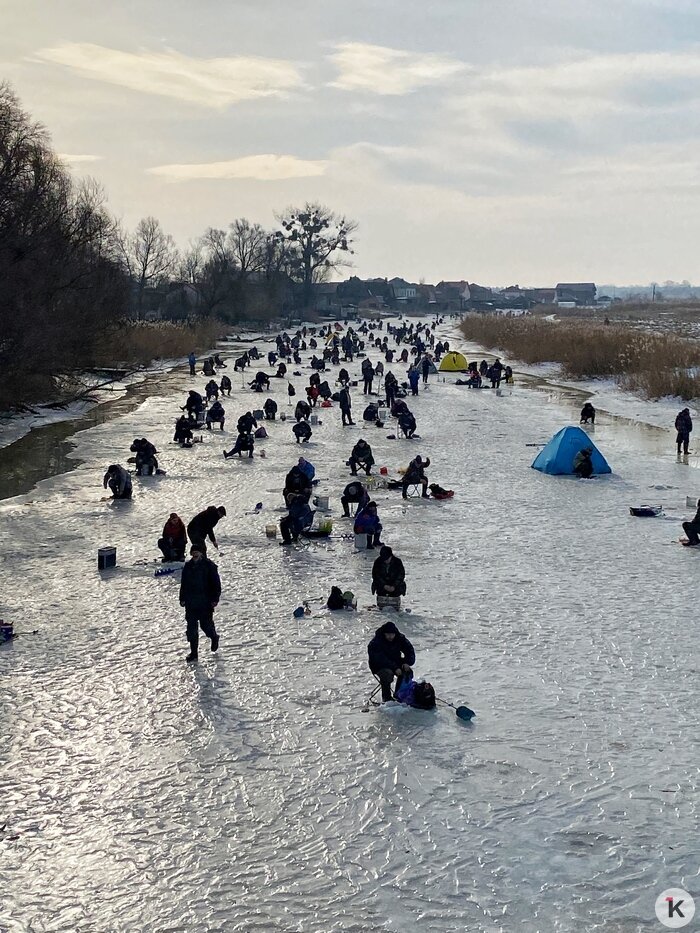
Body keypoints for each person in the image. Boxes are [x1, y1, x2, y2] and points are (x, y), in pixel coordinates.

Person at [179, 545, 221, 662]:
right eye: (193, 552)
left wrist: (214, 599)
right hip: (191, 603)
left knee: (205, 626)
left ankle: (214, 637)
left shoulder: (209, 566)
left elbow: (216, 584)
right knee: (191, 629)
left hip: (205, 603)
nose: (195, 554)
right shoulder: (188, 566)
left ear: (201, 553)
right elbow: (184, 584)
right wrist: (182, 598)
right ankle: (194, 653)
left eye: (197, 552)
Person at [367, 619, 415, 702]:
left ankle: (399, 694)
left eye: (392, 634)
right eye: (388, 634)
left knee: (407, 672)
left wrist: (407, 662)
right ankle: (387, 698)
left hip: (395, 662)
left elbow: (409, 650)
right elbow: (380, 659)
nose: (390, 636)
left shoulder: (400, 638)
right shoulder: (376, 642)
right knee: (387, 674)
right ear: (384, 634)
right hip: (378, 666)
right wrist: (395, 668)